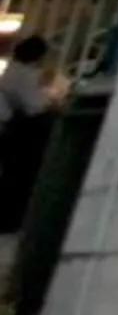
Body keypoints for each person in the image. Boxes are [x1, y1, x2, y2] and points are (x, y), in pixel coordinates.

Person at [0, 35, 60, 229]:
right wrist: (53, 102)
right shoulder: (24, 74)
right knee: (20, 177)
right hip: (17, 131)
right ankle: (13, 219)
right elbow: (35, 107)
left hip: (10, 127)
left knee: (11, 176)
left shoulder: (13, 71)